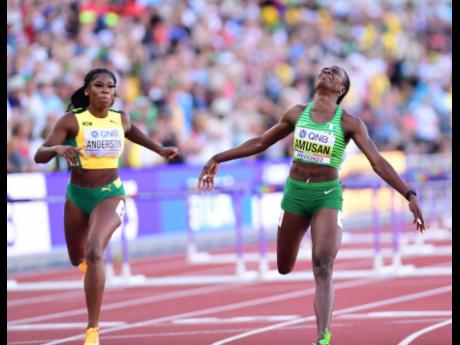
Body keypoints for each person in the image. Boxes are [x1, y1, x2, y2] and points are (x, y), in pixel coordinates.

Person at [196, 65, 425, 345]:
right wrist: (217, 157)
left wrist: (408, 194)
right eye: (325, 70)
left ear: (341, 90)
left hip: (326, 195)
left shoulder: (349, 123)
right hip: (295, 195)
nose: (327, 71)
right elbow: (260, 142)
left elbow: (377, 162)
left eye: (335, 73)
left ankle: (322, 338)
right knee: (283, 266)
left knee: (323, 265)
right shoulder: (296, 113)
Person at [34, 68, 179, 345]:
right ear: (87, 90)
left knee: (94, 251)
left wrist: (160, 149)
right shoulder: (71, 121)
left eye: (110, 87)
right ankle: (88, 269)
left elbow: (134, 133)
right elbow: (39, 154)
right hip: (77, 197)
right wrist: (56, 150)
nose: (105, 91)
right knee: (77, 258)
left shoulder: (120, 119)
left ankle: (92, 330)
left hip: (110, 195)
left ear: (114, 94)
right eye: (98, 86)